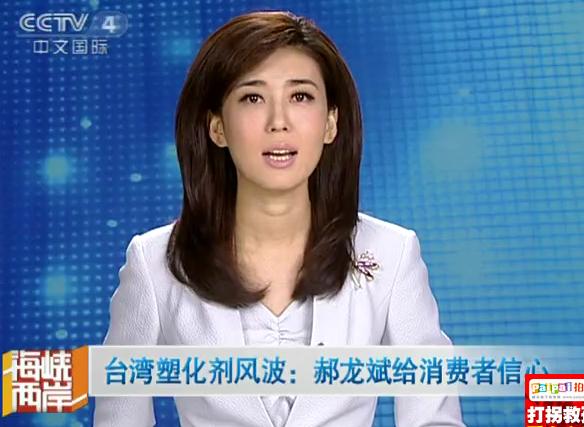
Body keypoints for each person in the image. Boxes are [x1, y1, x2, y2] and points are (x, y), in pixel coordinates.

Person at [93, 10, 466, 427]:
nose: (279, 123)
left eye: (300, 97)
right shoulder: (155, 262)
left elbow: (434, 417)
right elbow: (119, 417)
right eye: (253, 98)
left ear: (331, 122)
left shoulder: (391, 253)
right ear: (217, 127)